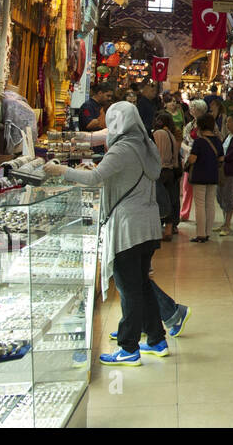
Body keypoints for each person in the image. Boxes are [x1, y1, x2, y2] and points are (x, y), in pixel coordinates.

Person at [42, 102, 167, 365]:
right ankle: (156, 338)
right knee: (141, 284)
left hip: (128, 227)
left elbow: (94, 178)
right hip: (148, 223)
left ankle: (129, 347)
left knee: (128, 288)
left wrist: (61, 170)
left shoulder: (122, 149)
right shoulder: (145, 144)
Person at [184, 113, 222, 243]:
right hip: (213, 175)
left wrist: (188, 160)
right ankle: (207, 232)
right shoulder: (217, 140)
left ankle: (200, 234)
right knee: (210, 204)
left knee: (200, 205)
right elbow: (221, 159)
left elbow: (193, 159)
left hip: (200, 175)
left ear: (200, 126)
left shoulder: (199, 142)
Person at [151, 111, 181, 241]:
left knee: (158, 200)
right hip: (171, 171)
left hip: (160, 171)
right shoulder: (171, 135)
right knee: (169, 200)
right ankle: (169, 229)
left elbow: (155, 153)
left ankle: (156, 231)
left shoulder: (157, 134)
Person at [215, 111, 233, 237]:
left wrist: (222, 158)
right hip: (222, 170)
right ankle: (224, 222)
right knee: (220, 196)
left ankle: (227, 224)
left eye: (229, 121)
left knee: (228, 196)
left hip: (231, 171)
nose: (227, 124)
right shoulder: (228, 136)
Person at [180, 99, 207, 224]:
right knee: (187, 187)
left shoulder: (208, 124)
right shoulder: (189, 125)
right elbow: (183, 141)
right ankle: (184, 213)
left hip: (202, 160)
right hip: (189, 160)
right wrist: (188, 148)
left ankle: (200, 215)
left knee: (200, 190)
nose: (191, 110)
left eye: (193, 108)